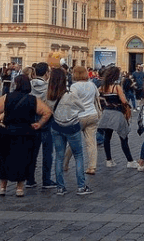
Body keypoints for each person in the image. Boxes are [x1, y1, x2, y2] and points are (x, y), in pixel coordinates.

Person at [0, 74, 51, 196]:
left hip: (9, 131)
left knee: (5, 159)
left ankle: (2, 187)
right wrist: (39, 124)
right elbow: (47, 112)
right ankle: (19, 188)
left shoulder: (7, 97)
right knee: (23, 159)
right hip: (26, 132)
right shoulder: (33, 99)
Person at [45, 68, 90, 196]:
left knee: (59, 157)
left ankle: (60, 187)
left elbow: (48, 109)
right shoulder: (70, 94)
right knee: (78, 156)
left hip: (56, 126)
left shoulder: (49, 95)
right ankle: (81, 186)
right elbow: (82, 107)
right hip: (72, 126)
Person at [64, 66, 100, 175]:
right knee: (91, 142)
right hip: (92, 114)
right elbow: (97, 98)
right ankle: (92, 167)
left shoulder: (74, 86)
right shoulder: (92, 85)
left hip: (79, 116)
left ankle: (65, 164)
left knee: (72, 141)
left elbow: (71, 101)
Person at [96, 67, 134, 169]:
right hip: (117, 113)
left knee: (107, 137)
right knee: (123, 137)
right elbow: (124, 101)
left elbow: (98, 97)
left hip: (106, 113)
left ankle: (109, 160)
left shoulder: (102, 87)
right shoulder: (116, 87)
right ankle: (130, 160)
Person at [27, 63, 55, 188]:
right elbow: (51, 105)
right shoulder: (49, 87)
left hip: (30, 119)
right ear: (46, 73)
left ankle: (30, 179)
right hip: (46, 120)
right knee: (47, 152)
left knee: (31, 150)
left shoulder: (28, 85)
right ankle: (46, 179)